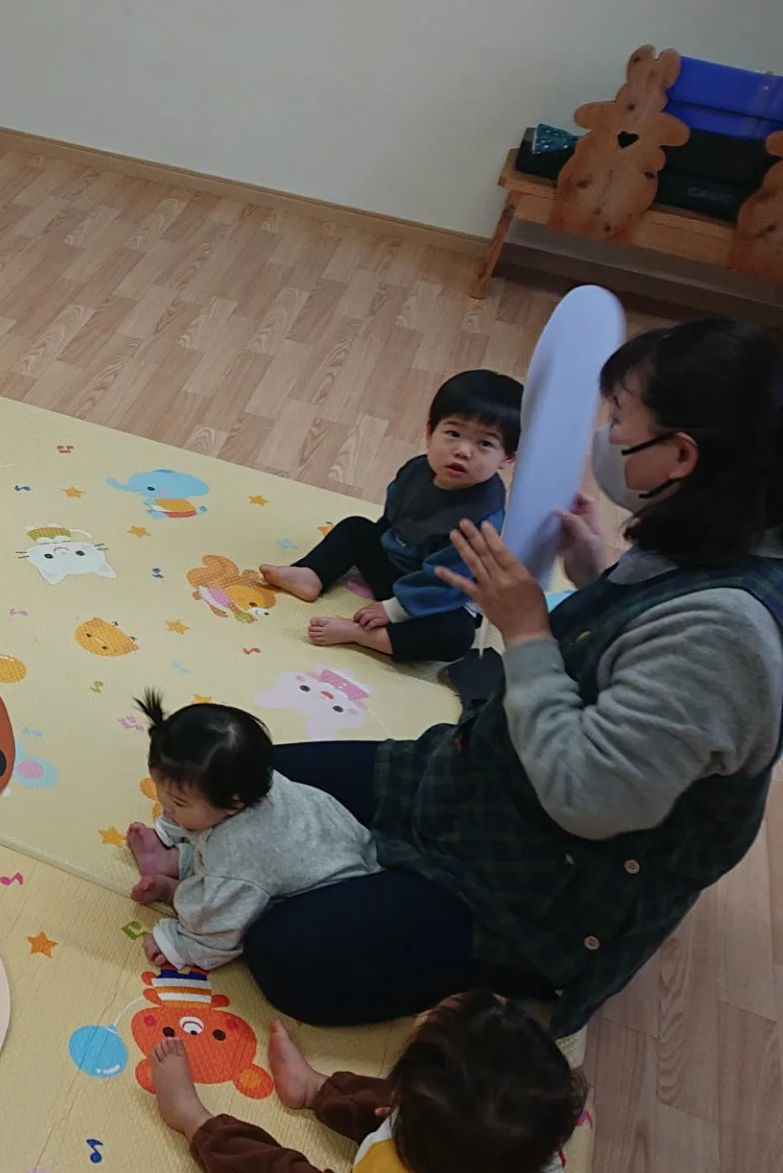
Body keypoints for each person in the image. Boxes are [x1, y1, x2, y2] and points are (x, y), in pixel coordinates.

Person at [246, 318, 783, 1038]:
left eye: (619, 419)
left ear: (681, 454)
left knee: (287, 956)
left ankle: (492, 967)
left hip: (545, 885)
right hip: (482, 776)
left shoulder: (726, 633)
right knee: (246, 774)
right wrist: (595, 575)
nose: (605, 438)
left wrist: (527, 629)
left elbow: (589, 797)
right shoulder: (709, 537)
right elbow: (635, 661)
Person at [150, 991, 583, 1173]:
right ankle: (315, 1089)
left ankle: (195, 1121)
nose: (424, 1013)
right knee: (432, 1100)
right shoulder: (535, 1123)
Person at [263, 370, 523, 663]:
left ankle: (362, 635)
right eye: (453, 433)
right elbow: (392, 519)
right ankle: (311, 575)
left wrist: (394, 610)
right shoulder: (417, 470)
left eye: (484, 444)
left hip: (441, 597)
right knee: (355, 528)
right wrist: (375, 548)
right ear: (430, 431)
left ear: (507, 457)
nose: (463, 451)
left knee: (456, 636)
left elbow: (448, 580)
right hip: (401, 566)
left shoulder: (482, 519)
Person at [125, 693, 377, 972]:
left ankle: (176, 889)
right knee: (215, 850)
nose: (163, 802)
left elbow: (222, 922)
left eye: (179, 802)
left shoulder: (240, 854)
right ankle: (175, 860)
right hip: (330, 844)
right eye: (158, 787)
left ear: (235, 803)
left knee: (252, 920)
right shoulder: (250, 778)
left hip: (332, 892)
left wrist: (183, 944)